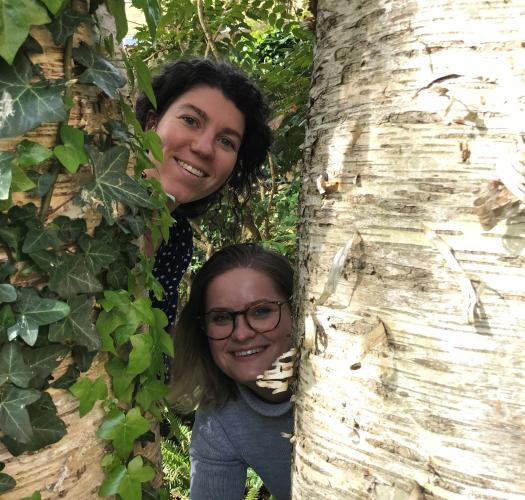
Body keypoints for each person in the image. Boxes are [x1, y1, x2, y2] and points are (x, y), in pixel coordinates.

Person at [135, 58, 272, 328]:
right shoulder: (91, 208)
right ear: (152, 123)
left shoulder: (176, 240)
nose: (204, 148)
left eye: (226, 141)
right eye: (191, 120)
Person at [169, 243, 294, 500]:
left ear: (299, 309)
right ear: (203, 329)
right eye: (221, 318)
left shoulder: (353, 384)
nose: (241, 333)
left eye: (261, 311)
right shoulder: (221, 418)